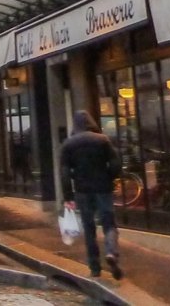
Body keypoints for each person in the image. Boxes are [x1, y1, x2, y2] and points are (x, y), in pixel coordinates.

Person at [60, 110, 123, 280]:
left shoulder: (69, 144)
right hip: (103, 188)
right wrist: (110, 177)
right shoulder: (102, 140)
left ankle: (95, 267)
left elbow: (65, 173)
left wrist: (68, 197)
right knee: (109, 223)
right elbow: (116, 163)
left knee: (89, 228)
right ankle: (111, 252)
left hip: (82, 190)